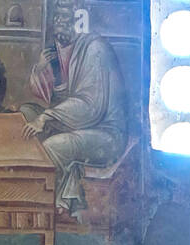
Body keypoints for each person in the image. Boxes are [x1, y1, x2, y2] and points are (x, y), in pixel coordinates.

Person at [22, 1, 129, 219]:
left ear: (79, 20)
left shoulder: (94, 49)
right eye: (56, 19)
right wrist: (40, 68)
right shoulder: (61, 50)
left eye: (65, 19)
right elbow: (52, 98)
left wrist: (46, 117)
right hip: (80, 124)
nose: (59, 24)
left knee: (54, 146)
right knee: (25, 112)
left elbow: (89, 107)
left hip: (106, 133)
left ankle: (38, 208)